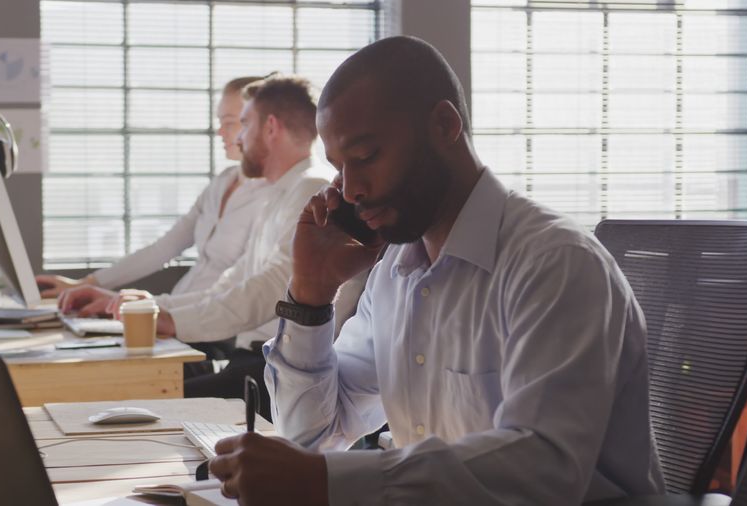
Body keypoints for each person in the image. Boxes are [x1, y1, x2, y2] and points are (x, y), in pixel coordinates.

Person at [206, 36, 666, 505]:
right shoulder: (395, 273)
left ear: (445, 125)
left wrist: (327, 481)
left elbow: (544, 469)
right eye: (340, 168)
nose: (350, 191)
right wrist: (310, 294)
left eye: (364, 158)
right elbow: (312, 436)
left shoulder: (555, 264)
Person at [59, 75, 360, 411]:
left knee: (136, 403)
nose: (239, 137)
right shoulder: (280, 193)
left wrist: (172, 319)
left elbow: (273, 288)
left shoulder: (311, 189)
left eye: (244, 124)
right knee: (125, 393)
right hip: (255, 360)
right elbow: (231, 283)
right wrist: (158, 308)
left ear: (270, 128)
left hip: (282, 372)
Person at [35, 76, 270, 312]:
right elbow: (163, 248)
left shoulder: (272, 199)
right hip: (175, 313)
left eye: (230, 122)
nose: (219, 132)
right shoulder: (222, 183)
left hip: (206, 321)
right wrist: (87, 283)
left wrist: (150, 306)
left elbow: (239, 293)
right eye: (220, 121)